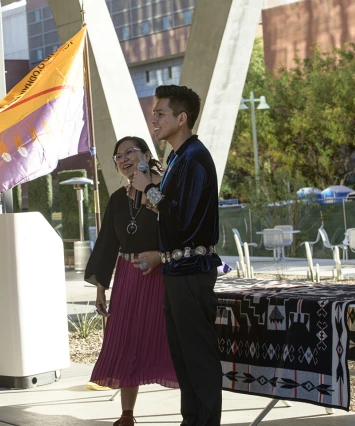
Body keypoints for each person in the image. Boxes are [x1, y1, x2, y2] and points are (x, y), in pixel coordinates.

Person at [131, 85, 223, 426]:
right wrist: (155, 185)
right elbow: (174, 213)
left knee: (198, 358)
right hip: (178, 271)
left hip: (192, 271)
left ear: (181, 118)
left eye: (160, 114)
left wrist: (150, 190)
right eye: (153, 113)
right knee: (184, 359)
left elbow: (183, 219)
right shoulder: (178, 159)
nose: (153, 119)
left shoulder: (195, 157)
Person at [84, 136, 178, 426]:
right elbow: (107, 244)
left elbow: (178, 228)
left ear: (146, 155)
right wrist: (101, 286)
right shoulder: (117, 199)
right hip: (127, 278)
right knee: (126, 342)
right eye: (117, 156)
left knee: (168, 342)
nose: (123, 159)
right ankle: (127, 414)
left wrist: (149, 188)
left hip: (161, 276)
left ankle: (193, 412)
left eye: (130, 152)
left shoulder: (162, 190)